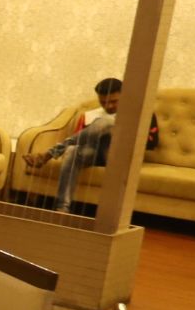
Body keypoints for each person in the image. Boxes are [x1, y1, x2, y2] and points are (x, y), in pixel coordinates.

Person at [24, 77, 159, 212]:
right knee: (72, 151)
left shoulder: (142, 114)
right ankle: (62, 208)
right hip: (95, 154)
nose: (108, 106)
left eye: (114, 101)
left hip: (121, 156)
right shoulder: (92, 115)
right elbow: (79, 139)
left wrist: (123, 133)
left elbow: (152, 142)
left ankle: (49, 154)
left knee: (105, 123)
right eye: (103, 102)